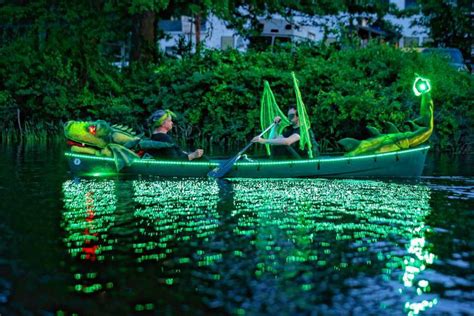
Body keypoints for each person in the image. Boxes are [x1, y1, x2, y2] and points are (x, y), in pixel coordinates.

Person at [252, 106, 319, 159]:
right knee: (276, 145)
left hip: (307, 159)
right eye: (288, 116)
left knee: (284, 144)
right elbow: (272, 139)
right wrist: (275, 126)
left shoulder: (303, 129)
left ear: (299, 116)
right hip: (297, 158)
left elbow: (288, 141)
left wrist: (263, 141)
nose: (289, 118)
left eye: (292, 116)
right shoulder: (291, 129)